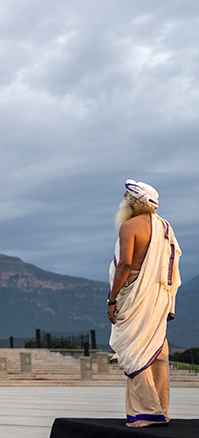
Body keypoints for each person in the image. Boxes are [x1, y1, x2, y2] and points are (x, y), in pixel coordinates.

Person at [107, 179, 181, 428]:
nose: (124, 201)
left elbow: (125, 265)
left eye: (127, 198)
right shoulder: (165, 227)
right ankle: (162, 409)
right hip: (159, 295)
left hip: (136, 294)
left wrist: (112, 298)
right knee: (158, 350)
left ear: (134, 202)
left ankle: (148, 413)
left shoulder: (129, 226)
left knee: (134, 352)